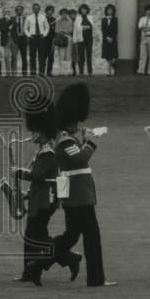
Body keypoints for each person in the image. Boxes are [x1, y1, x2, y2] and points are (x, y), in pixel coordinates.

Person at [50, 83, 115, 286]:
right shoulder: (65, 140)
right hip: (77, 195)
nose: (78, 126)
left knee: (71, 236)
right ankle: (96, 278)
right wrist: (90, 141)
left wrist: (85, 139)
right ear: (70, 122)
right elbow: (79, 159)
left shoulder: (67, 137)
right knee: (92, 237)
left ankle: (39, 260)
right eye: (76, 123)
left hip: (79, 194)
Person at [13, 99, 62, 286]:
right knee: (36, 236)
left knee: (35, 237)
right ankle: (31, 270)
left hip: (45, 202)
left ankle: (35, 268)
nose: (32, 135)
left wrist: (19, 173)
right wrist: (25, 193)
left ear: (43, 133)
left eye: (35, 131)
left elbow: (39, 175)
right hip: (37, 198)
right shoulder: (42, 150)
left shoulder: (48, 152)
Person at [25, 3, 49, 76]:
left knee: (41, 56)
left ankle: (41, 73)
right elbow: (25, 28)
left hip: (41, 38)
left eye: (37, 8)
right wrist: (29, 35)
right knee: (32, 56)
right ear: (32, 9)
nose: (36, 9)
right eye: (34, 8)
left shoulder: (43, 17)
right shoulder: (29, 17)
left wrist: (44, 34)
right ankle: (33, 73)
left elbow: (47, 27)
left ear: (39, 9)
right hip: (33, 38)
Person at [74, 4, 95, 76]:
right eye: (82, 9)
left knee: (89, 55)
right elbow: (77, 28)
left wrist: (83, 27)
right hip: (81, 39)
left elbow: (91, 27)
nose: (84, 11)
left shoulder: (90, 17)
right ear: (80, 10)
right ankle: (81, 71)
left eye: (85, 9)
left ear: (87, 10)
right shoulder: (78, 18)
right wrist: (86, 27)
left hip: (89, 38)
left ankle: (90, 71)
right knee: (81, 55)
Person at [54, 8, 74, 76]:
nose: (64, 15)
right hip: (61, 39)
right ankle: (61, 71)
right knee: (61, 55)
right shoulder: (58, 21)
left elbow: (70, 30)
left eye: (65, 13)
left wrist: (63, 31)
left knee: (68, 55)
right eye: (62, 13)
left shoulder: (70, 21)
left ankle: (68, 71)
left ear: (67, 14)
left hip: (68, 38)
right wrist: (62, 32)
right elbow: (56, 30)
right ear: (60, 14)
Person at [0, 6, 16, 76]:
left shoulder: (13, 19)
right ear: (3, 13)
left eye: (8, 11)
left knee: (14, 56)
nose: (6, 12)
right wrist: (8, 27)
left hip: (14, 40)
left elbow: (15, 27)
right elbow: (0, 29)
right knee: (6, 56)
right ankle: (8, 73)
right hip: (6, 40)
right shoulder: (0, 20)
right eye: (5, 11)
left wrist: (10, 21)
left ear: (9, 12)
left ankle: (14, 73)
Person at [10, 5, 28, 76]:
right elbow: (10, 29)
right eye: (17, 10)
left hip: (23, 39)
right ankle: (14, 72)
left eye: (20, 10)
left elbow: (28, 28)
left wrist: (27, 37)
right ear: (15, 11)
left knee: (24, 56)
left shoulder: (26, 19)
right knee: (14, 56)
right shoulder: (12, 19)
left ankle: (25, 72)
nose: (19, 11)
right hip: (15, 39)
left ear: (22, 11)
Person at [101, 4, 118, 76]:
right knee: (107, 56)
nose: (109, 11)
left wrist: (112, 38)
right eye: (108, 10)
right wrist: (106, 37)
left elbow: (116, 30)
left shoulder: (115, 19)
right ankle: (110, 69)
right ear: (106, 11)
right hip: (106, 40)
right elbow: (103, 30)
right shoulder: (104, 20)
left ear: (113, 11)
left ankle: (110, 70)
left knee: (112, 55)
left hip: (113, 39)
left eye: (111, 10)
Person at [44, 5, 58, 76]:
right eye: (49, 10)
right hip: (44, 40)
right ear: (46, 11)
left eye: (52, 10)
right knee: (43, 56)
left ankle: (49, 72)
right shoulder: (43, 18)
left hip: (51, 40)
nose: (50, 12)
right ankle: (42, 72)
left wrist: (55, 38)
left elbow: (56, 30)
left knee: (51, 57)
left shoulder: (54, 19)